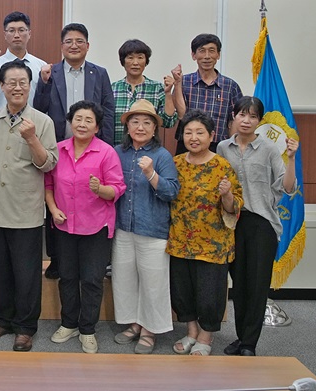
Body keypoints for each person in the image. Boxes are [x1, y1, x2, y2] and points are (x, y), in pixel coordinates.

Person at [0, 59, 58, 352]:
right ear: (2, 86)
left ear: (30, 86)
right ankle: (2, 320)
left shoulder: (43, 122)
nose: (17, 87)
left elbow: (48, 164)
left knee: (27, 274)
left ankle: (25, 327)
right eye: (11, 82)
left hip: (25, 211)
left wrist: (32, 138)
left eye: (23, 82)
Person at [218, 96, 298, 357]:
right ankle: (241, 337)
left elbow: (288, 188)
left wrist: (291, 158)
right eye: (242, 114)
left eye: (252, 116)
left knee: (257, 284)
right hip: (233, 222)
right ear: (233, 116)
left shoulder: (270, 149)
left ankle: (249, 344)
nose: (246, 120)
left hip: (262, 223)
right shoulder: (222, 148)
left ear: (259, 121)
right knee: (239, 284)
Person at [33, 22, 114, 279]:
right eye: (69, 41)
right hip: (59, 149)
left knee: (88, 200)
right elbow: (39, 108)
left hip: (91, 150)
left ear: (87, 46)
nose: (74, 45)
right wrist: (43, 83)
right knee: (56, 200)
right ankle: (56, 259)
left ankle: (90, 259)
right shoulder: (50, 72)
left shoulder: (99, 73)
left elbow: (108, 111)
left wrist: (106, 147)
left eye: (79, 41)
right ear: (61, 46)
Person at [45, 101, 125, 354]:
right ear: (70, 122)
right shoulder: (58, 149)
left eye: (89, 120)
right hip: (64, 226)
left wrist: (100, 189)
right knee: (67, 277)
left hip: (96, 227)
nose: (82, 124)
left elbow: (117, 189)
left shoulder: (106, 152)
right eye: (78, 119)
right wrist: (53, 209)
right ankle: (69, 324)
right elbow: (48, 184)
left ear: (97, 127)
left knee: (91, 280)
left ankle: (88, 329)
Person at [168, 110, 243, 356]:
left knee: (210, 295)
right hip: (180, 240)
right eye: (188, 132)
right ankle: (191, 331)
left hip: (213, 244)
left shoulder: (222, 166)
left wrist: (227, 194)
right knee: (182, 292)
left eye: (200, 132)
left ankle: (206, 336)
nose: (193, 137)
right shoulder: (176, 163)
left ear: (211, 135)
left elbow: (234, 208)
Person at [112, 99, 180, 354]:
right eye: (135, 122)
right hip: (123, 227)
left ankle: (150, 330)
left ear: (154, 129)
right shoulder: (117, 153)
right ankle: (134, 323)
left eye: (147, 123)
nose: (140, 127)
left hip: (152, 229)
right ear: (127, 127)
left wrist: (151, 174)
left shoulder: (162, 156)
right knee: (125, 279)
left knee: (153, 282)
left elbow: (172, 192)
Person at [175, 33, 243, 154]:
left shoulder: (230, 86)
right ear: (193, 55)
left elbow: (234, 120)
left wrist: (233, 147)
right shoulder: (183, 82)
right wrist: (177, 84)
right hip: (188, 145)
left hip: (218, 147)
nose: (207, 56)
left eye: (211, 51)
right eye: (202, 51)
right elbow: (181, 114)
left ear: (218, 55)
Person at [111, 39, 178, 146]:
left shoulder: (157, 88)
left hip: (148, 150)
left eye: (140, 57)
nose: (135, 63)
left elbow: (169, 122)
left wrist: (168, 93)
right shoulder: (112, 88)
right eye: (130, 58)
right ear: (123, 61)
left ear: (146, 61)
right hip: (117, 149)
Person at [0, 11, 47, 112]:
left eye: (21, 30)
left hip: (32, 120)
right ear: (5, 35)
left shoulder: (41, 66)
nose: (17, 35)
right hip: (2, 120)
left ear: (29, 34)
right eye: (11, 31)